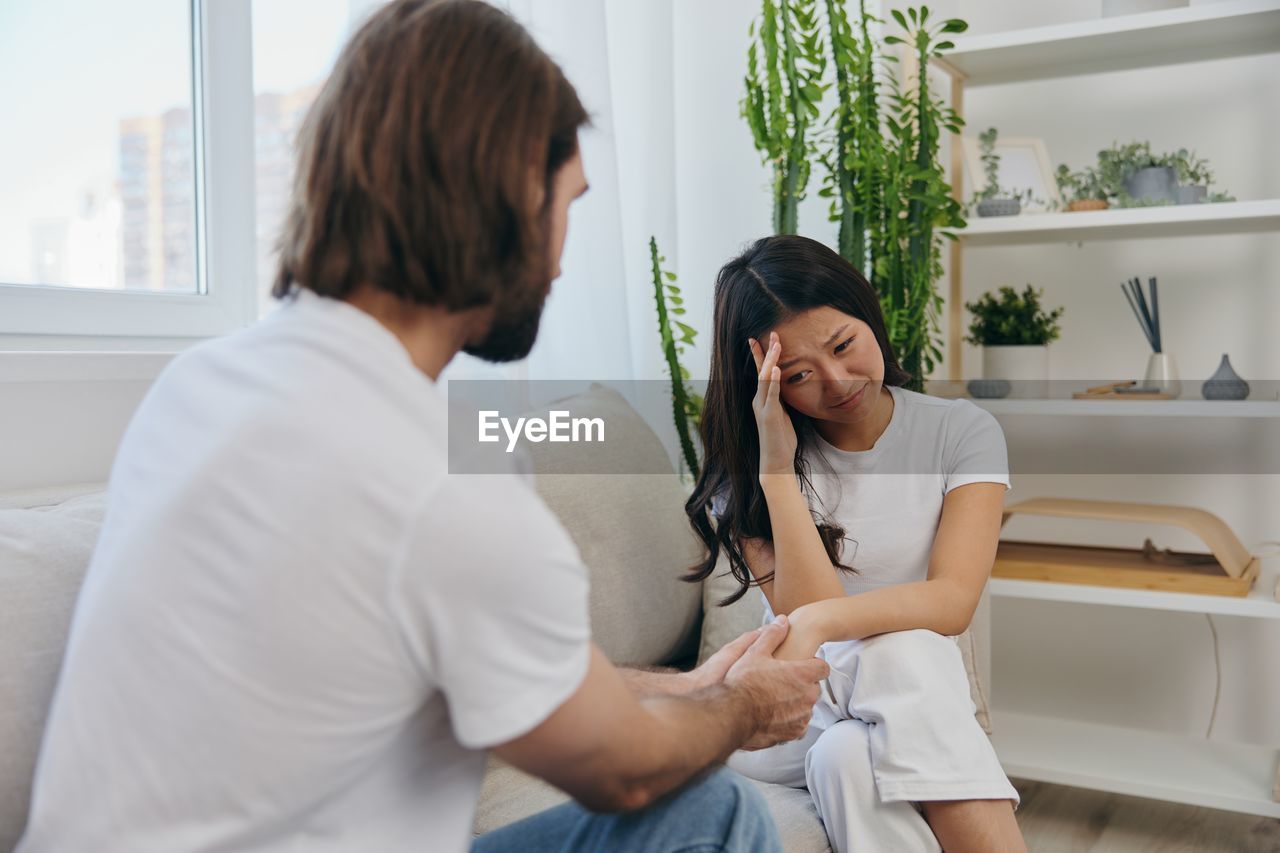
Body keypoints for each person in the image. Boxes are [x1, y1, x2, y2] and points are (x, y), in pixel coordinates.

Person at [16, 3, 830, 852]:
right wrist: (742, 705)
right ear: (512, 186)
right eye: (566, 205)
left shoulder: (198, 385)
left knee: (714, 810)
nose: (559, 260)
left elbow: (487, 667)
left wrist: (689, 684)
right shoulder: (438, 479)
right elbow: (619, 769)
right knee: (717, 812)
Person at [684, 235, 1029, 853]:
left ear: (868, 315)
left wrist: (816, 623)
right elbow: (806, 622)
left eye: (843, 345)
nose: (838, 382)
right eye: (798, 375)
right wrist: (777, 471)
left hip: (900, 700)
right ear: (764, 384)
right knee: (898, 657)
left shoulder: (961, 431)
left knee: (847, 758)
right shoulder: (748, 472)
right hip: (797, 712)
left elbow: (952, 603)